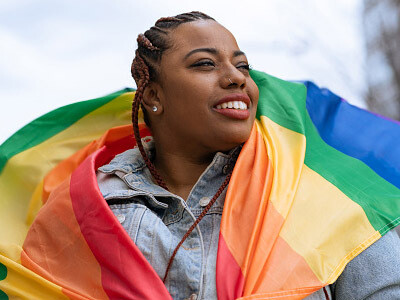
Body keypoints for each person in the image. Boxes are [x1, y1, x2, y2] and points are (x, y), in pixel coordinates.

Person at [95, 11, 400, 300]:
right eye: (204, 64)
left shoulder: (325, 190)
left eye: (242, 66)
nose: (236, 78)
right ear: (153, 96)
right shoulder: (96, 202)